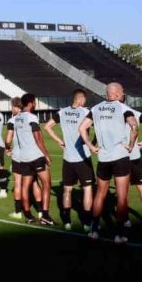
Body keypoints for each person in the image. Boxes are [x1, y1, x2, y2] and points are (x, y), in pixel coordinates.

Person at [78, 82, 138, 244]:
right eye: (122, 91)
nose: (123, 94)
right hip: (120, 156)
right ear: (117, 93)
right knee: (122, 196)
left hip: (103, 158)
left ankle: (94, 230)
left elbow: (82, 128)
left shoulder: (96, 108)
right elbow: (134, 125)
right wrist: (131, 145)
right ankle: (119, 234)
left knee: (100, 194)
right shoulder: (122, 107)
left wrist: (90, 146)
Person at [44, 89, 94, 231]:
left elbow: (47, 127)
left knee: (67, 190)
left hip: (68, 158)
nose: (85, 102)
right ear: (81, 99)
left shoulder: (62, 112)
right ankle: (86, 222)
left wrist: (60, 141)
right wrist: (93, 143)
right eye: (84, 99)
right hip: (82, 157)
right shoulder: (85, 112)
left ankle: (67, 221)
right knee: (87, 190)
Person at [6, 94, 54, 225]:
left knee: (25, 187)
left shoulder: (16, 118)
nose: (36, 104)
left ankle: (28, 215)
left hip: (24, 158)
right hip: (36, 156)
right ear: (31, 103)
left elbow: (11, 139)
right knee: (46, 184)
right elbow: (38, 138)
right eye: (35, 102)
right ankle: (44, 216)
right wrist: (46, 155)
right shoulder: (32, 117)